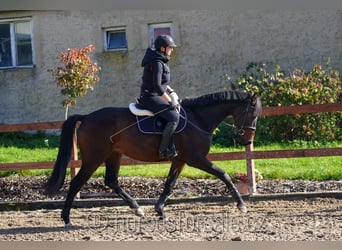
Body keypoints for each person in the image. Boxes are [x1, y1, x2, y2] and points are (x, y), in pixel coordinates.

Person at [138, 34, 180, 160]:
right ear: (162, 48)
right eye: (170, 47)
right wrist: (169, 101)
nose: (172, 50)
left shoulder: (161, 61)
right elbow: (156, 85)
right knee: (174, 117)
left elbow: (162, 82)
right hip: (150, 96)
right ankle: (163, 150)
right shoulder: (157, 62)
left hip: (155, 95)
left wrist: (171, 91)